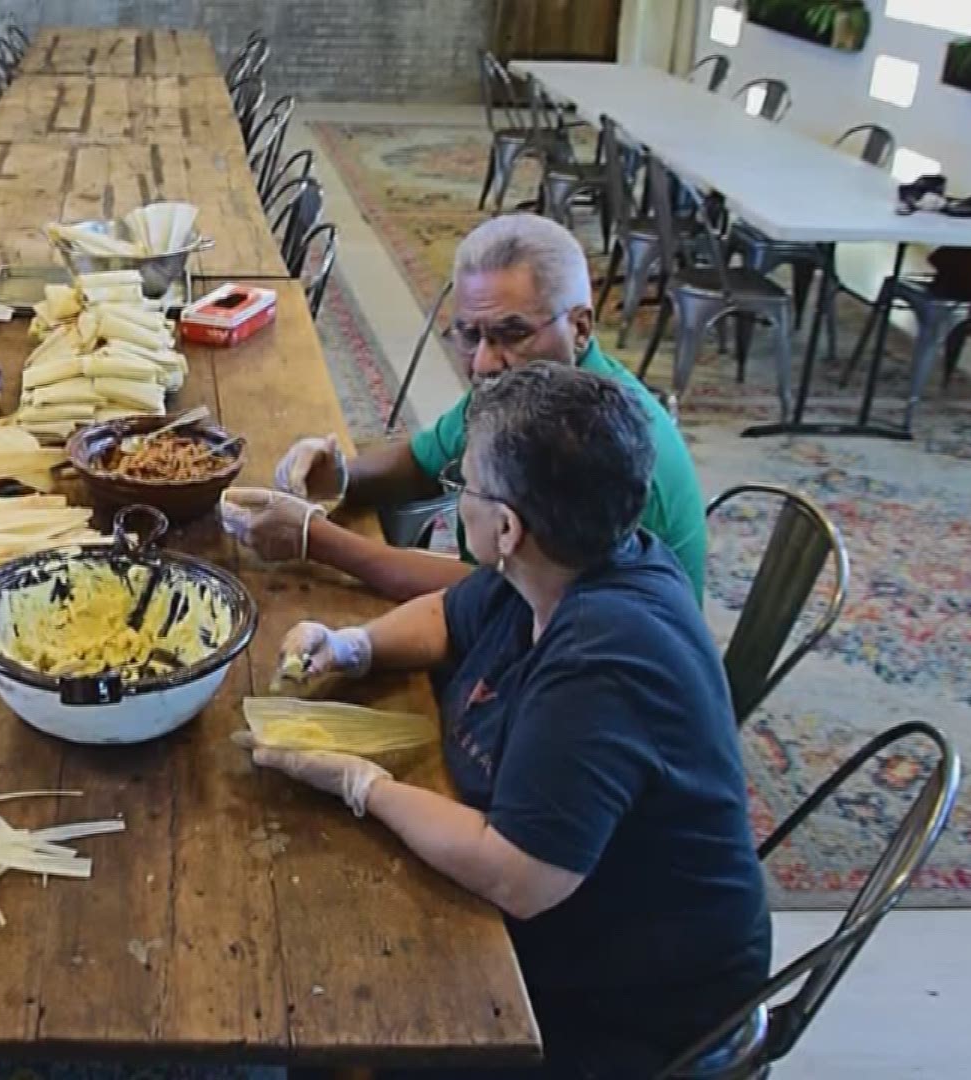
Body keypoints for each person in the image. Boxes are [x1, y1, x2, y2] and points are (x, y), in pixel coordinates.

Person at [237, 364, 770, 1077]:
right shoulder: (573, 561)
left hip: (630, 1013)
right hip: (588, 934)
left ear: (509, 527)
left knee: (329, 988)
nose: (461, 507)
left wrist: (363, 786)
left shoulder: (603, 662)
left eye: (467, 492)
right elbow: (448, 615)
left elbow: (517, 873)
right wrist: (352, 647)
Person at [220, 213, 709, 604]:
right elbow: (422, 460)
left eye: (512, 333)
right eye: (469, 334)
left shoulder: (607, 447)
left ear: (580, 328)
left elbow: (499, 599)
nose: (483, 362)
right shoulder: (523, 391)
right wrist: (339, 476)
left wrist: (316, 539)